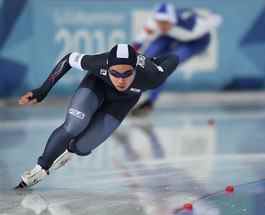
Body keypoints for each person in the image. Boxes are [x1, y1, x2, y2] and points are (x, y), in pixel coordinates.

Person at [15, 43, 179, 189]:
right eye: (115, 73)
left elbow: (174, 57)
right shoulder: (98, 62)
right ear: (107, 67)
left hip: (122, 102)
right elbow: (69, 59)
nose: (121, 81)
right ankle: (40, 168)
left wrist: (152, 60)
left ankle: (72, 150)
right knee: (74, 125)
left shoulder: (152, 76)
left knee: (83, 146)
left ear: (136, 69)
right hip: (97, 86)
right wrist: (43, 91)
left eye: (127, 74)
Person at [131, 2, 222, 116]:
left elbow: (216, 18)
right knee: (146, 58)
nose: (161, 26)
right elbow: (138, 42)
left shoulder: (195, 26)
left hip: (196, 41)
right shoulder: (155, 24)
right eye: (159, 22)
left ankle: (150, 102)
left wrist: (212, 18)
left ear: (172, 20)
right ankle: (129, 93)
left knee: (165, 66)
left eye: (165, 22)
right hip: (171, 35)